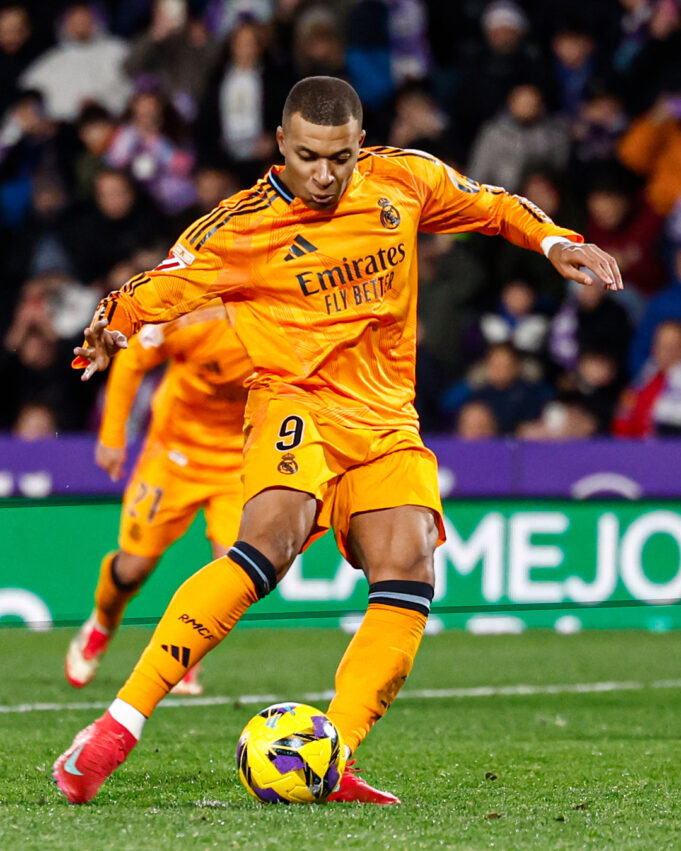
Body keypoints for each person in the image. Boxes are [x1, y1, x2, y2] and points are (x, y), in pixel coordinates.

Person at [53, 75, 622, 807]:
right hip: (296, 405)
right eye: (309, 156)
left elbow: (490, 204)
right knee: (271, 542)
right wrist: (111, 327)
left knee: (410, 566)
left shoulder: (402, 180)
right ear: (280, 147)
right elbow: (154, 288)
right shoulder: (236, 228)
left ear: (361, 145)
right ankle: (113, 730)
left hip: (385, 420)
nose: (325, 174)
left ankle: (333, 754)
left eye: (340, 157)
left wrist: (553, 241)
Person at [65, 302, 252, 697]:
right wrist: (113, 435)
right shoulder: (193, 316)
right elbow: (132, 360)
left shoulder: (288, 320)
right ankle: (101, 623)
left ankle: (183, 654)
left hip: (242, 459)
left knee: (232, 573)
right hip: (174, 456)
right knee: (132, 569)